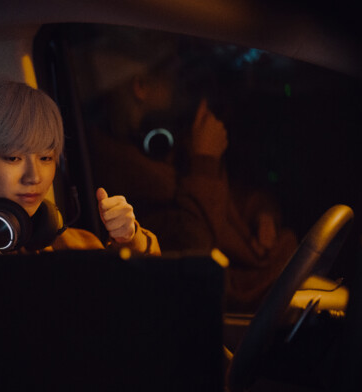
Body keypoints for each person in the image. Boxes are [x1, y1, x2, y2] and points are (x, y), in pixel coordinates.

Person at [79, 25, 297, 311]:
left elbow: (234, 197)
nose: (181, 91)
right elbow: (194, 258)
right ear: (140, 86)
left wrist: (262, 214)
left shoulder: (159, 145)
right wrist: (205, 161)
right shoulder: (122, 173)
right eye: (174, 78)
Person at [0, 77, 160, 281]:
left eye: (46, 158)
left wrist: (130, 239)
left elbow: (149, 291)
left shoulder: (61, 240)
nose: (34, 177)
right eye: (13, 158)